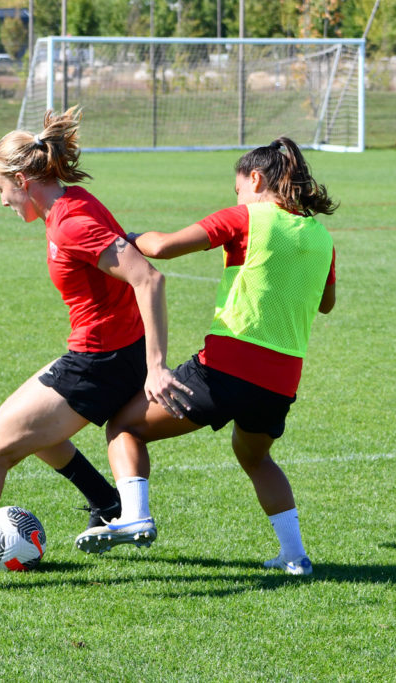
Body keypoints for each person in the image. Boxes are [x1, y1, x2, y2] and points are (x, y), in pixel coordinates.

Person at [0, 107, 188, 591]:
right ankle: (106, 503)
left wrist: (156, 367)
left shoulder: (71, 221)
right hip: (103, 354)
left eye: (0, 189)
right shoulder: (69, 206)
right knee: (25, 427)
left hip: (102, 361)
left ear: (22, 180)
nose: (1, 201)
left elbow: (148, 279)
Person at [75, 137, 337, 576]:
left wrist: (125, 238)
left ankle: (134, 515)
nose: (237, 198)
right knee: (255, 457)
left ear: (256, 179)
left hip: (227, 367)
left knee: (124, 426)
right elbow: (326, 304)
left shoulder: (246, 217)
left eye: (238, 188)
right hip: (281, 380)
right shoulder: (321, 236)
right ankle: (295, 557)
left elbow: (162, 247)